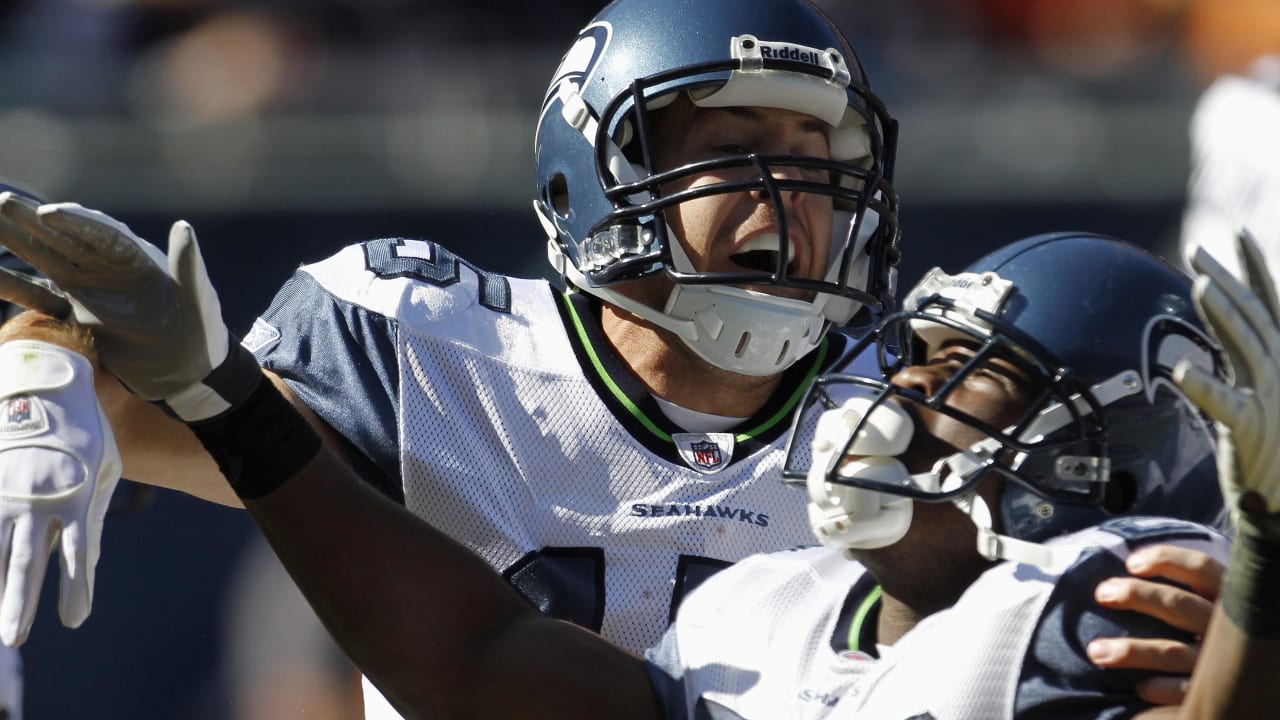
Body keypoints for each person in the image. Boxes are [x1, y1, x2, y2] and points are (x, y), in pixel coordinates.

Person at [0, 0, 1230, 712]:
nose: (787, 195)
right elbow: (156, 384)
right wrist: (42, 366)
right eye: (733, 147)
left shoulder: (907, 397)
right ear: (598, 172)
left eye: (818, 160)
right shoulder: (414, 339)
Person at [0, 222, 1268, 718]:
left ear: (1085, 459)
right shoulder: (758, 613)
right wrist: (223, 399)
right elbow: (476, 665)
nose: (896, 393)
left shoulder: (1108, 598)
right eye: (910, 357)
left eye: (961, 376)